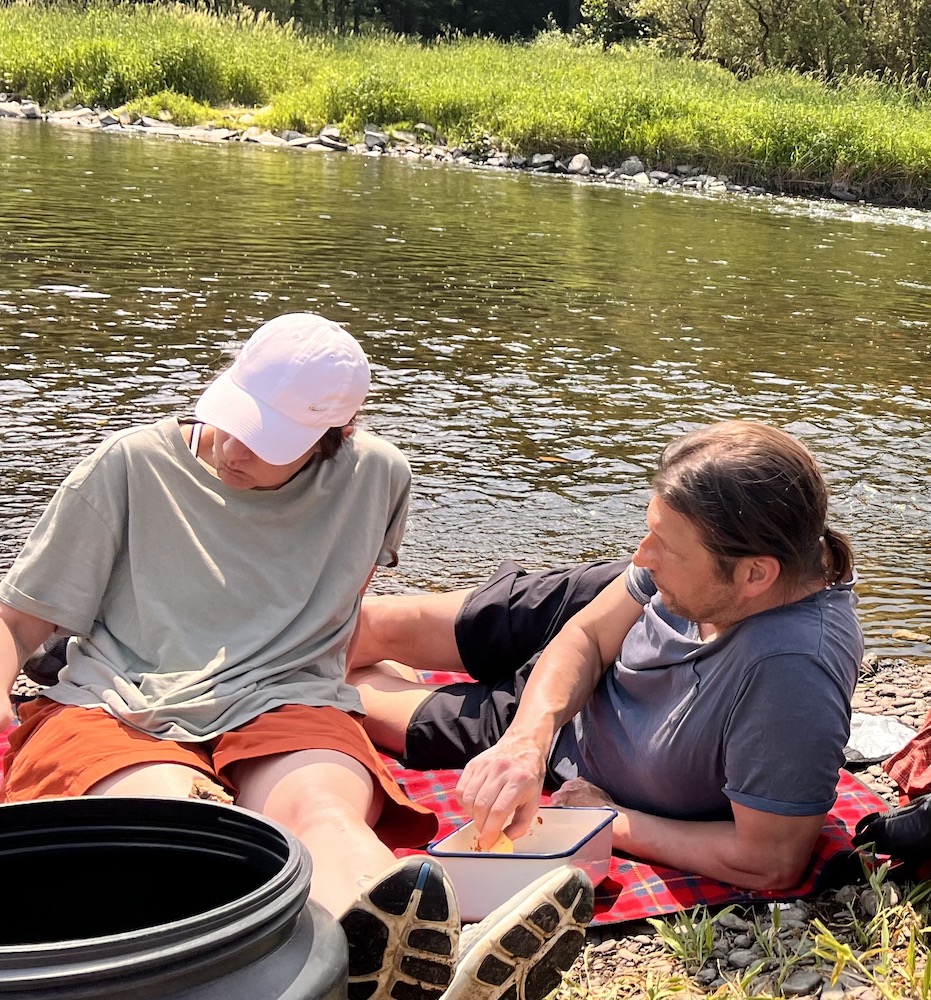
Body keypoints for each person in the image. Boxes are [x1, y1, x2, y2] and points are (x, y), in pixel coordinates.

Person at [0, 312, 593, 1000]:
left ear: (332, 437)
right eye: (232, 416)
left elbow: (335, 613)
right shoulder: (128, 466)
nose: (230, 448)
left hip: (286, 699)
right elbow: (16, 621)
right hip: (117, 706)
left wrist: (359, 686)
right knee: (181, 826)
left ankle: (424, 965)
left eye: (264, 438)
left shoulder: (376, 478)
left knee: (324, 813)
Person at [351, 420, 864, 891]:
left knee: (338, 688)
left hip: (571, 751)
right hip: (581, 639)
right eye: (651, 533)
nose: (640, 555)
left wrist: (608, 817)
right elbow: (590, 636)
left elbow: (769, 861)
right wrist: (526, 739)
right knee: (352, 627)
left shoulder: (790, 674)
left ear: (756, 574)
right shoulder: (696, 572)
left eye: (666, 545)